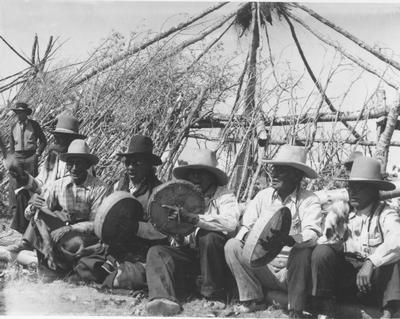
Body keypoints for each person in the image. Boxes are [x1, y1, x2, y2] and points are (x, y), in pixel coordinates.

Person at [224, 144, 323, 318]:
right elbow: (246, 226)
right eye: (274, 170)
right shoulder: (263, 196)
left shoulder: (309, 200)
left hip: (291, 271)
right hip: (263, 266)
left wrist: (290, 239)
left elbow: (312, 233)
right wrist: (254, 237)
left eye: (281, 171)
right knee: (232, 245)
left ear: (296, 175)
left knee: (302, 252)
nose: (274, 175)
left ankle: (296, 308)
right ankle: (253, 298)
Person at [145, 149, 240, 316]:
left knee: (208, 236)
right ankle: (163, 298)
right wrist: (177, 233)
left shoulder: (224, 197)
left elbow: (231, 224)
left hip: (216, 263)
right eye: (192, 173)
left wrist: (194, 219)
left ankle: (214, 296)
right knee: (157, 251)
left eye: (200, 173)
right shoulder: (184, 197)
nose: (195, 178)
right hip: (193, 260)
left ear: (212, 176)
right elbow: (181, 241)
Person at [311, 156, 400, 319]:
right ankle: (326, 309)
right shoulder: (341, 211)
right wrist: (334, 237)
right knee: (322, 252)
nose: (353, 193)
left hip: (371, 283)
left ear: (374, 191)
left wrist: (371, 262)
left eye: (360, 188)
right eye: (351, 188)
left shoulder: (385, 213)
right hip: (347, 281)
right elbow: (324, 241)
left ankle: (388, 314)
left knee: (393, 260)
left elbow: (397, 239)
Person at [23, 139, 108, 274]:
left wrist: (69, 228)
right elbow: (37, 212)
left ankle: (59, 265)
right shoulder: (58, 185)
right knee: (39, 221)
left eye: (79, 163)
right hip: (61, 228)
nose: (74, 168)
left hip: (83, 235)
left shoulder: (99, 188)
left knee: (74, 244)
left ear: (87, 165)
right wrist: (32, 207)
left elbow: (96, 224)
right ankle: (47, 262)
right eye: (71, 163)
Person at [8, 113, 87, 235]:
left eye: (60, 137)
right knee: (23, 194)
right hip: (48, 197)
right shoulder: (53, 156)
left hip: (66, 205)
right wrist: (24, 178)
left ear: (71, 140)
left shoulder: (80, 161)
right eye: (56, 136)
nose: (56, 140)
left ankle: (35, 238)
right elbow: (40, 181)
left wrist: (44, 197)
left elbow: (77, 192)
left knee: (44, 206)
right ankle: (23, 235)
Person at [8, 102, 47, 229]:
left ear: (26, 113)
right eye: (17, 113)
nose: (19, 115)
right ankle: (15, 211)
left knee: (31, 182)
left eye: (21, 112)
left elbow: (43, 140)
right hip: (18, 157)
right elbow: (12, 145)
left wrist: (38, 153)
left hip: (31, 156)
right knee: (14, 181)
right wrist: (12, 158)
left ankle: (32, 210)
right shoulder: (14, 126)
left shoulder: (34, 125)